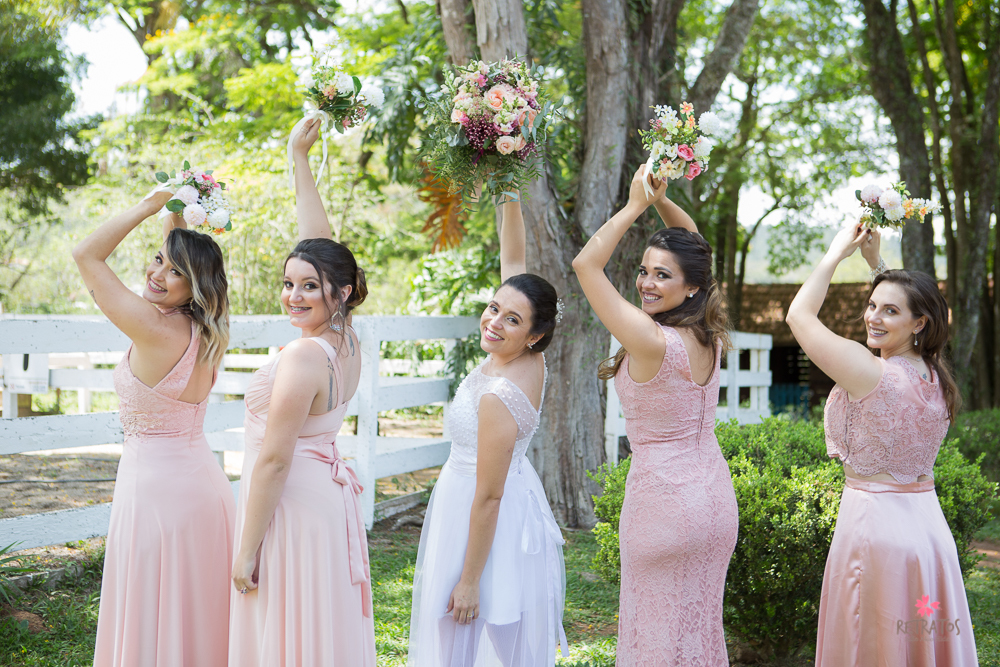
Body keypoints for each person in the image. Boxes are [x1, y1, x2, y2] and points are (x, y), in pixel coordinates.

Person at [786, 223, 978, 666]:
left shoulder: (867, 371)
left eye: (889, 311)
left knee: (868, 646)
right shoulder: (935, 376)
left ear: (919, 323)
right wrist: (878, 265)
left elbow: (799, 317)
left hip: (876, 533)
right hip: (928, 535)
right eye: (872, 306)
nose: (873, 317)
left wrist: (836, 252)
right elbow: (912, 314)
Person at [572, 167, 738, 666]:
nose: (645, 282)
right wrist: (664, 202)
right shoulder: (709, 335)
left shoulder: (650, 340)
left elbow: (585, 265)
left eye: (662, 274)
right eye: (644, 270)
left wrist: (635, 205)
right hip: (713, 502)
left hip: (663, 507)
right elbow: (699, 251)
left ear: (690, 288)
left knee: (655, 635)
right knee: (697, 630)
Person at [228, 118, 376, 666]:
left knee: (285, 627)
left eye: (308, 286)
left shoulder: (303, 355)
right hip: (324, 503)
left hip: (288, 502)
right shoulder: (347, 338)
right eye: (289, 283)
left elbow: (271, 460)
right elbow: (324, 247)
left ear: (340, 291)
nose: (294, 295)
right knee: (315, 627)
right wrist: (299, 158)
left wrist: (245, 549)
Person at [74, 191, 235, 666]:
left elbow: (85, 254)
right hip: (203, 490)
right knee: (198, 613)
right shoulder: (208, 326)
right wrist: (177, 215)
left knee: (158, 609)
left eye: (174, 272)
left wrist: (148, 204)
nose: (157, 274)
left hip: (156, 494)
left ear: (195, 285)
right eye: (158, 260)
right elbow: (179, 262)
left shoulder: (152, 326)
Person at [407, 196, 567, 667]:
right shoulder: (530, 356)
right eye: (494, 307)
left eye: (511, 319)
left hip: (482, 512)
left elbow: (489, 496)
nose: (494, 322)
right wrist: (511, 193)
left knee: (465, 619)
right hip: (503, 497)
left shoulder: (499, 393)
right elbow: (514, 263)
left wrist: (470, 578)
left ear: (534, 333)